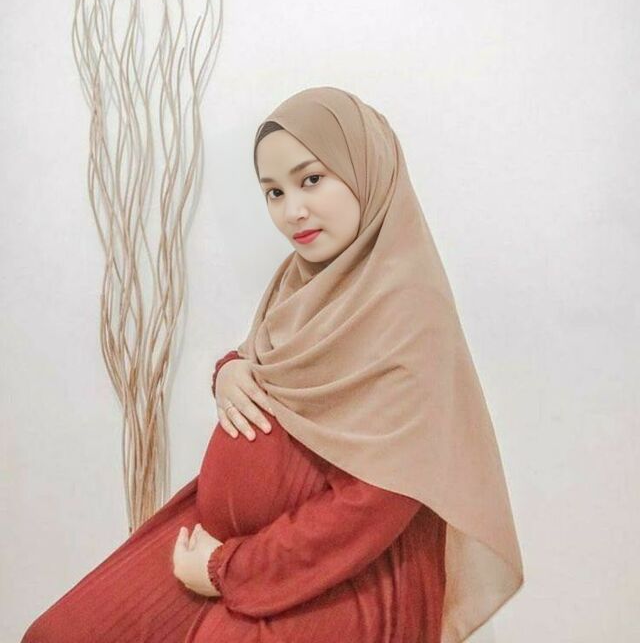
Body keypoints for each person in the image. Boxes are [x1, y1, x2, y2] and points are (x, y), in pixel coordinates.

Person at [21, 87, 524, 642]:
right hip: (223, 537)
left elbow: (375, 504)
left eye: (312, 179)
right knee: (59, 633)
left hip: (341, 567)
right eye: (274, 192)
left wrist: (229, 568)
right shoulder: (301, 279)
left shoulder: (410, 312)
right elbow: (279, 364)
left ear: (366, 169)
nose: (292, 211)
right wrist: (229, 370)